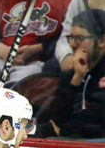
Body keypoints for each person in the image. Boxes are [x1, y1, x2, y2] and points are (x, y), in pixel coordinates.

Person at [36, 9, 105, 138]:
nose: (72, 44)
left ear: (101, 41)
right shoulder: (76, 69)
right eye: (71, 37)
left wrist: (63, 132)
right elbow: (55, 118)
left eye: (79, 38)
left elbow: (97, 118)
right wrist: (76, 79)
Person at [53, 0, 105, 72]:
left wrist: (99, 9)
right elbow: (66, 35)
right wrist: (66, 55)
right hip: (82, 57)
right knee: (51, 68)